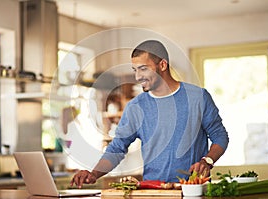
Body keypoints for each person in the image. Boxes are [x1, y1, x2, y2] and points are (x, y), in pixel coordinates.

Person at [70, 40, 229, 188]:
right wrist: (93, 174)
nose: (138, 76)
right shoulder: (135, 107)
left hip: (193, 189)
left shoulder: (198, 97)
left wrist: (207, 161)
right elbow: (117, 147)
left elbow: (220, 136)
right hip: (153, 191)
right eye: (135, 70)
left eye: (143, 68)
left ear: (163, 65)